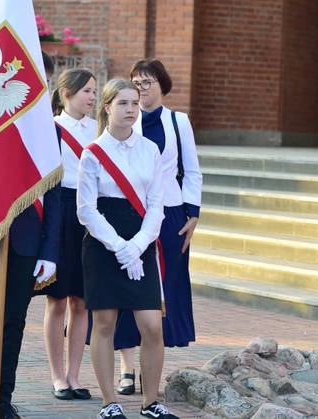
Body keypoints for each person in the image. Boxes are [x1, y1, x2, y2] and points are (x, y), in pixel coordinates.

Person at [77, 77, 178, 419]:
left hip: (141, 241)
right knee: (104, 323)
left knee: (152, 326)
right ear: (107, 107)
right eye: (122, 103)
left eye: (135, 103)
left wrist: (136, 246)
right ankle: (110, 403)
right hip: (105, 242)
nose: (131, 109)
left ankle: (151, 403)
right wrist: (119, 247)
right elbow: (86, 209)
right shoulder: (92, 153)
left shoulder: (150, 150)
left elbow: (156, 205)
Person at [114, 59, 203, 395]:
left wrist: (192, 213)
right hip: (130, 216)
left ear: (162, 85)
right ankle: (126, 367)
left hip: (171, 216)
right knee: (127, 287)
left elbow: (192, 171)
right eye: (136, 81)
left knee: (164, 291)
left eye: (148, 81)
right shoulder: (124, 122)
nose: (141, 88)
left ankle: (153, 369)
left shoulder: (179, 122)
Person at [0, 172, 61, 417]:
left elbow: (53, 192)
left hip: (27, 235)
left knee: (14, 320)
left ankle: (2, 400)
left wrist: (49, 251)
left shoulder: (49, 133)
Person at [35, 69, 97, 401]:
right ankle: (57, 376)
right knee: (57, 300)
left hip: (89, 214)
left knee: (82, 302)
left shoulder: (98, 130)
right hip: (59, 212)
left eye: (94, 91)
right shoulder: (51, 129)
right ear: (67, 93)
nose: (92, 97)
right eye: (86, 91)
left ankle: (75, 375)